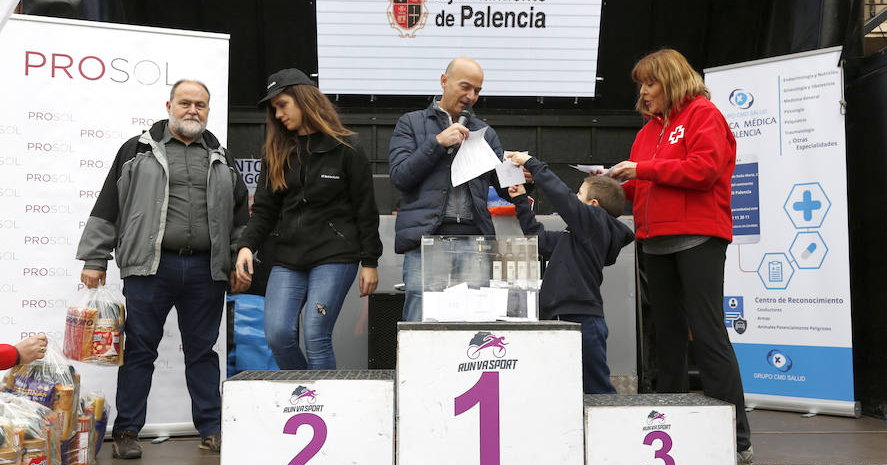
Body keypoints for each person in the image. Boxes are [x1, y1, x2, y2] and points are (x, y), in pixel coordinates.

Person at [77, 79, 249, 459]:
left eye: (201, 105)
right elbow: (109, 205)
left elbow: (240, 217)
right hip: (149, 268)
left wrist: (240, 254)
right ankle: (126, 432)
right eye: (185, 102)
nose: (193, 110)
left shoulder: (222, 155)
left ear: (208, 110)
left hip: (207, 270)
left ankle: (211, 429)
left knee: (203, 352)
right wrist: (94, 258)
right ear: (168, 105)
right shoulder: (137, 150)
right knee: (139, 350)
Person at [607, 48, 753, 465]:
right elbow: (635, 190)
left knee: (707, 336)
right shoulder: (648, 131)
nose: (644, 92)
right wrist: (604, 185)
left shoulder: (703, 114)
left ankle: (737, 439)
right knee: (666, 340)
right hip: (654, 241)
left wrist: (642, 170)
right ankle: (670, 427)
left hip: (698, 240)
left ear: (670, 79)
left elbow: (704, 169)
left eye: (649, 83)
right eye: (641, 85)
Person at [234, 69, 382, 370]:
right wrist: (246, 246)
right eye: (273, 108)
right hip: (288, 257)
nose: (277, 113)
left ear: (304, 100)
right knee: (277, 334)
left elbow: (365, 209)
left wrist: (370, 261)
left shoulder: (347, 148)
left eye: (282, 104)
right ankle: (306, 396)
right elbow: (263, 210)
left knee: (316, 334)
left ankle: (323, 405)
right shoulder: (276, 153)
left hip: (335, 255)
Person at [389, 57, 511, 322]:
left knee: (473, 329)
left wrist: (521, 176)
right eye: (465, 87)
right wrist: (438, 143)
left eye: (477, 91)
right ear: (444, 81)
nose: (471, 96)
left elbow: (503, 185)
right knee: (419, 328)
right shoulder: (411, 123)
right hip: (426, 242)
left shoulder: (484, 132)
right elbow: (400, 177)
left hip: (475, 244)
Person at [506, 152, 634, 393]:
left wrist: (532, 163)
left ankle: (609, 426)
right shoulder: (577, 236)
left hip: (582, 319)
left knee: (597, 389)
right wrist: (521, 201)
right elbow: (539, 240)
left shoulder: (595, 223)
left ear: (594, 206)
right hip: (560, 316)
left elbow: (562, 198)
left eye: (580, 196)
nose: (574, 199)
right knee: (563, 389)